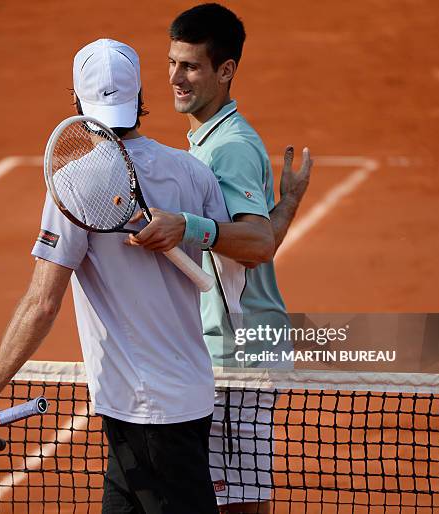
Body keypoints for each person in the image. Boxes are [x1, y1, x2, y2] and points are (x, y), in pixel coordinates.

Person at [0, 38, 231, 514]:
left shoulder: (75, 181)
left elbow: (42, 303)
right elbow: (232, 249)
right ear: (140, 97)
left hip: (148, 411)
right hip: (175, 399)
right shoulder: (190, 171)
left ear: (77, 103)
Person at [126, 4, 313, 513]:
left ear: (226, 70)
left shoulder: (228, 147)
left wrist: (185, 227)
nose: (174, 78)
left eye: (190, 66)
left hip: (236, 356)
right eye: (171, 62)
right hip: (230, 350)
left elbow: (253, 246)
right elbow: (253, 240)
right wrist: (289, 203)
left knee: (236, 507)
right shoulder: (210, 142)